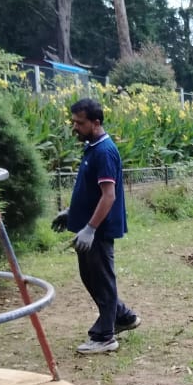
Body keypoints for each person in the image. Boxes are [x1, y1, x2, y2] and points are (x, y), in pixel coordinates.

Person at [51, 97, 139, 354]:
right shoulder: (92, 147)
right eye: (73, 122)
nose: (74, 127)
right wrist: (72, 212)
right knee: (92, 278)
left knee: (102, 281)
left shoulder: (104, 152)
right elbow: (92, 191)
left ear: (96, 122)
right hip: (88, 226)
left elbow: (108, 195)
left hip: (98, 231)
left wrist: (90, 228)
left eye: (80, 123)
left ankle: (104, 337)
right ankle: (123, 317)